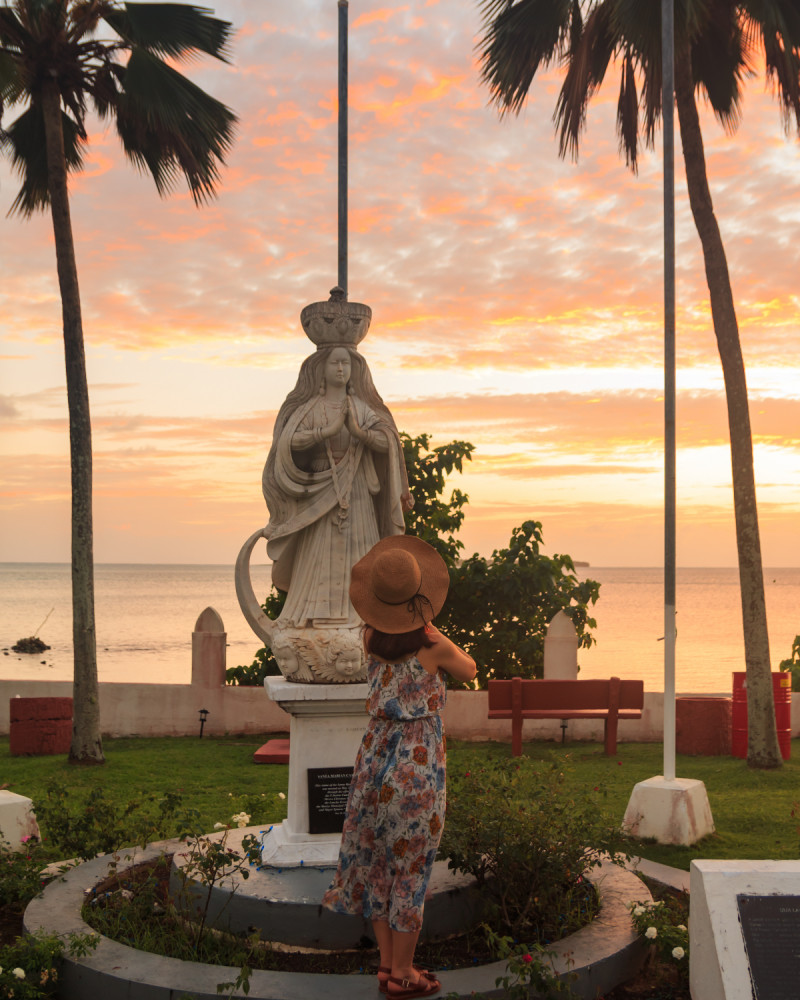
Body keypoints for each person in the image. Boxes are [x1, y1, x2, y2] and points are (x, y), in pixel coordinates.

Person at [321, 535, 476, 999]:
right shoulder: (433, 647)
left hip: (374, 755)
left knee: (377, 862)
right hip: (416, 762)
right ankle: (405, 973)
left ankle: (389, 964)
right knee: (411, 866)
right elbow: (469, 669)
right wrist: (432, 627)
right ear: (419, 595)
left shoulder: (368, 637)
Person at [262, 345, 411, 628]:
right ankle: (312, 617)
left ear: (355, 370)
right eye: (334, 363)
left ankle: (364, 618)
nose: (341, 369)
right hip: (319, 493)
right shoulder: (312, 409)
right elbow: (288, 442)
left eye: (346, 363)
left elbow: (387, 442)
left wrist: (359, 432)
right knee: (319, 556)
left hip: (358, 493)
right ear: (322, 369)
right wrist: (326, 432)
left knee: (361, 556)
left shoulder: (362, 410)